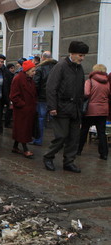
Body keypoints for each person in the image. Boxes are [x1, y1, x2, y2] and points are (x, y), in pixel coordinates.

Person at [43, 41, 89, 173]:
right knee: (61, 136)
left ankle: (69, 162)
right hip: (61, 107)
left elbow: (80, 89)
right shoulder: (60, 66)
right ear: (72, 53)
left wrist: (81, 108)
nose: (82, 58)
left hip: (75, 109)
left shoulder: (79, 68)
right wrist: (52, 107)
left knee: (74, 138)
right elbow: (51, 88)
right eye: (80, 55)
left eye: (84, 55)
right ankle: (48, 157)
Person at [78, 64, 110, 160]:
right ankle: (104, 154)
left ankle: (78, 150)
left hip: (90, 110)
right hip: (103, 110)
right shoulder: (107, 82)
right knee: (101, 132)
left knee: (84, 130)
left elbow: (86, 93)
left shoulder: (90, 81)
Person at [9, 60, 37, 159]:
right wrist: (23, 105)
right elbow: (13, 96)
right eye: (33, 71)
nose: (34, 73)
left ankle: (15, 146)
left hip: (29, 109)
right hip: (22, 110)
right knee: (22, 129)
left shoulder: (30, 80)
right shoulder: (18, 79)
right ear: (27, 70)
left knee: (22, 129)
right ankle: (25, 149)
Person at [31, 51, 57, 146]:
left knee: (40, 119)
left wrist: (35, 96)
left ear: (43, 58)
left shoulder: (40, 68)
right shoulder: (57, 67)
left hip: (42, 98)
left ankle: (38, 140)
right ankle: (59, 141)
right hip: (54, 98)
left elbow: (36, 84)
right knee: (56, 121)